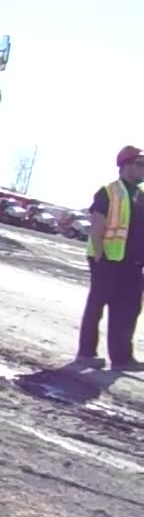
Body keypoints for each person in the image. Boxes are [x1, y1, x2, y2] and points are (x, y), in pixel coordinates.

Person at [77, 145, 144, 370]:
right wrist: (99, 258)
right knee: (96, 307)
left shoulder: (141, 197)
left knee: (127, 311)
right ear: (125, 165)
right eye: (140, 164)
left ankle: (122, 358)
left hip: (133, 265)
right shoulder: (109, 192)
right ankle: (86, 354)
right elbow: (97, 227)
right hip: (108, 261)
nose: (143, 169)